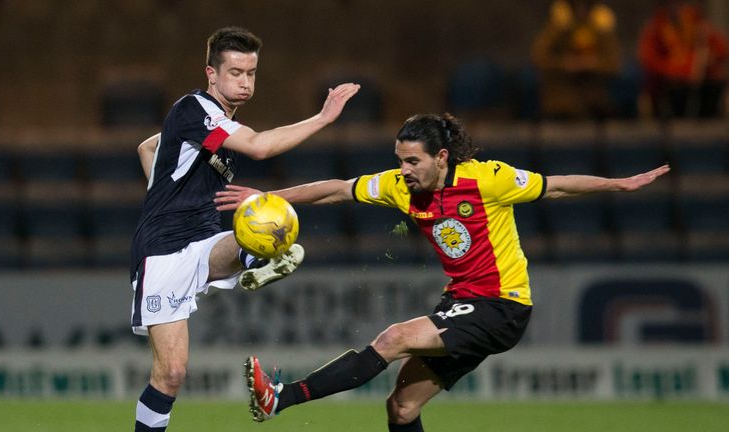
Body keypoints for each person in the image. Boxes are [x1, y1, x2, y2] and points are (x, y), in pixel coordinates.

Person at [214, 113, 670, 431]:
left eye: (413, 161)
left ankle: (282, 397)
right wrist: (272, 197)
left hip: (502, 304)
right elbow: (336, 189)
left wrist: (618, 183)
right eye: (399, 160)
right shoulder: (399, 187)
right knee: (402, 408)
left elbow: (555, 187)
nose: (403, 170)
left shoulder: (487, 178)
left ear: (442, 157)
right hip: (462, 303)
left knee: (392, 338)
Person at [130, 26, 359, 432]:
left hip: (202, 242)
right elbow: (259, 146)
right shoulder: (194, 109)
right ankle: (257, 258)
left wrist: (161, 187)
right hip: (163, 250)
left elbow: (148, 147)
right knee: (171, 374)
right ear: (211, 74)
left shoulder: (214, 124)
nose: (245, 81)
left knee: (267, 218)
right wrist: (323, 118)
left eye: (251, 73)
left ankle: (260, 257)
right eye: (235, 72)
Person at [531, 0, 621, 119]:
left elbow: (614, 63)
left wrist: (594, 64)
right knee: (564, 109)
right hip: (562, 93)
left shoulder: (600, 25)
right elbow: (539, 58)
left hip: (595, 93)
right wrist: (564, 63)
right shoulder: (559, 25)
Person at [638, 1, 728, 119]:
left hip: (700, 79)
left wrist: (710, 58)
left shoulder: (696, 22)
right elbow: (649, 59)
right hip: (671, 82)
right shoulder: (656, 27)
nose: (679, 7)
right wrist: (678, 70)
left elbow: (721, 48)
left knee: (715, 83)